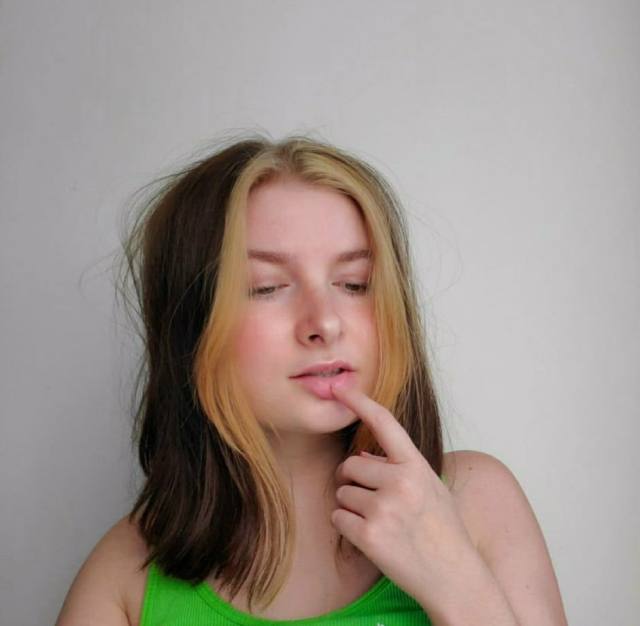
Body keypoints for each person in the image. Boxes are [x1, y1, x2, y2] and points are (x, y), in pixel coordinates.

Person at [55, 134, 568, 625]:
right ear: (191, 326)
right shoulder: (123, 577)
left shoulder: (478, 501)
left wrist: (456, 582)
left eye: (355, 284)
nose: (325, 322)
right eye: (267, 287)